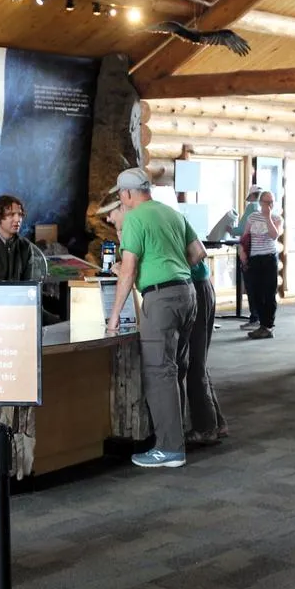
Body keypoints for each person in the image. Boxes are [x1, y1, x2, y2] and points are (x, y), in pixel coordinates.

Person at [102, 197, 224, 445]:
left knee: (190, 363)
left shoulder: (141, 220)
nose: (108, 220)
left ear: (123, 204)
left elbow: (195, 254)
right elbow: (197, 251)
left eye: (110, 214)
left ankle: (203, 428)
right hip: (195, 288)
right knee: (188, 361)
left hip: (191, 288)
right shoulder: (163, 214)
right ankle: (211, 423)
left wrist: (171, 275)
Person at [106, 168, 205, 469]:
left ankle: (170, 448)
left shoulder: (135, 218)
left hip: (160, 300)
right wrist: (172, 268)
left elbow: (128, 270)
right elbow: (198, 252)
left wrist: (113, 320)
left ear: (126, 194)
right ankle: (177, 438)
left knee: (158, 371)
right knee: (176, 368)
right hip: (187, 294)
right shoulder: (171, 213)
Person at [238, 190, 282, 340]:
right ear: (260, 202)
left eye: (271, 202)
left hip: (269, 258)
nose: (269, 205)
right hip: (255, 258)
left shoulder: (276, 218)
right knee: (256, 293)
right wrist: (242, 251)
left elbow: (274, 235)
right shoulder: (252, 217)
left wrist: (268, 217)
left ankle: (268, 325)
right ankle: (261, 323)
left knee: (269, 293)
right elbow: (245, 236)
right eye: (266, 202)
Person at [236, 184, 263, 329]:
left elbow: (241, 229)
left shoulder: (252, 207)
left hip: (250, 252)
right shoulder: (269, 208)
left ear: (252, 196)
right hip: (264, 253)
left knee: (251, 286)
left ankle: (255, 318)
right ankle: (263, 319)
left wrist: (229, 229)